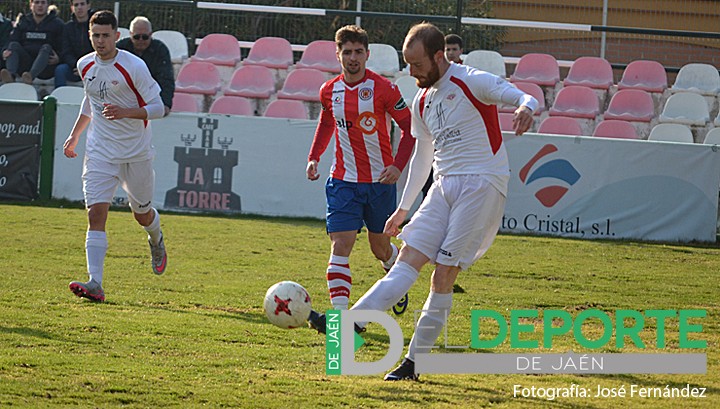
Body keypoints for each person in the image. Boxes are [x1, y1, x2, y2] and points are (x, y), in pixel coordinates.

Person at [310, 22, 537, 380]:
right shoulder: (422, 98)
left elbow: (522, 96)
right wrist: (403, 209)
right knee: (407, 260)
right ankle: (351, 324)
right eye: (407, 63)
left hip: (482, 185)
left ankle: (414, 363)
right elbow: (423, 156)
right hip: (444, 185)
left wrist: (526, 108)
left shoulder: (471, 80)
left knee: (442, 275)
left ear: (438, 56)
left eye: (416, 64)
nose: (411, 71)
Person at [305, 25, 415, 322]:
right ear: (337, 54)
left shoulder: (384, 89)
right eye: (347, 52)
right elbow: (327, 123)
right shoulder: (329, 91)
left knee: (380, 248)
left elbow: (410, 130)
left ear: (367, 54)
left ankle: (395, 280)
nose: (353, 58)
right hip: (342, 181)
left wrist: (397, 166)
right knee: (341, 245)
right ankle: (341, 319)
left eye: (358, 52)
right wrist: (314, 157)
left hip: (379, 183)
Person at [63, 10, 168, 302]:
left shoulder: (133, 66)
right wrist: (75, 134)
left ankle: (156, 238)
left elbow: (160, 108)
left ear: (117, 36)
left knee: (142, 214)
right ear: (89, 36)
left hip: (136, 153)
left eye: (105, 35)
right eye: (95, 35)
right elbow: (90, 100)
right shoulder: (85, 64)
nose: (100, 41)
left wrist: (127, 112)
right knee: (96, 214)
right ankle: (95, 283)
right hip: (100, 153)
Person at [116, 16, 174, 116]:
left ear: (151, 35)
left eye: (145, 37)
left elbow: (166, 79)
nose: (141, 40)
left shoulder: (160, 50)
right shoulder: (120, 48)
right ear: (130, 34)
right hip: (124, 97)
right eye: (137, 37)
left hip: (151, 97)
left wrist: (165, 104)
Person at [1, 0, 64, 85]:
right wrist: (4, 51)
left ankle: (31, 76)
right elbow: (12, 40)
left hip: (45, 66)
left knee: (46, 47)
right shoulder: (23, 21)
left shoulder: (57, 23)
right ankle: (10, 76)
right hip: (25, 63)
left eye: (43, 3)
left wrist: (59, 57)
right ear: (31, 5)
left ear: (48, 5)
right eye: (37, 2)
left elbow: (64, 45)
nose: (40, 5)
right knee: (13, 45)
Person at [55, 0, 94, 88]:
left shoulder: (96, 26)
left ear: (88, 6)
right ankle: (59, 98)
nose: (79, 7)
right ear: (72, 8)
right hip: (73, 67)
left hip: (92, 67)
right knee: (60, 70)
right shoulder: (67, 28)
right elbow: (65, 51)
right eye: (76, 5)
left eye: (82, 4)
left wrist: (86, 67)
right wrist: (77, 65)